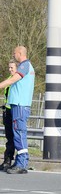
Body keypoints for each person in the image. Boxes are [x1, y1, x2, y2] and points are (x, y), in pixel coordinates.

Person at [0, 46, 35, 174]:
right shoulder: (25, 66)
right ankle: (19, 162)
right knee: (17, 133)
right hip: (18, 105)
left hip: (20, 105)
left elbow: (14, 79)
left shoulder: (24, 66)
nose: (13, 55)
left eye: (14, 53)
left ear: (19, 53)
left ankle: (22, 163)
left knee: (19, 133)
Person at [0, 59, 18, 171]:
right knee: (9, 137)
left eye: (12, 67)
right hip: (7, 110)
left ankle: (10, 161)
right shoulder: (9, 78)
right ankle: (7, 159)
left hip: (14, 111)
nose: (10, 69)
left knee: (14, 137)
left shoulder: (17, 79)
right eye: (9, 67)